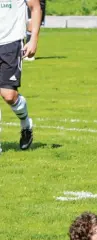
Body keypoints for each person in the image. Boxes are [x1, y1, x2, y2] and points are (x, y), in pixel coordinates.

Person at [0, 0, 41, 153]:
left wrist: (34, 39)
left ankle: (26, 124)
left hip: (11, 44)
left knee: (9, 95)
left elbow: (35, 7)